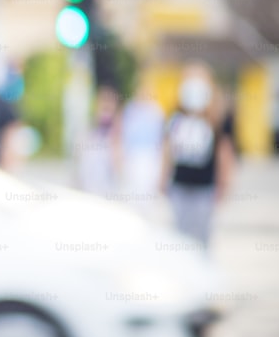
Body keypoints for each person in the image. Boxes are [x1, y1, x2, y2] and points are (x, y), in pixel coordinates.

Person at [161, 63, 235, 248]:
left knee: (202, 238)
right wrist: (163, 178)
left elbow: (224, 154)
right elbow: (168, 149)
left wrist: (224, 184)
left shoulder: (217, 119)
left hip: (204, 187)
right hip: (180, 185)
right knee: (180, 237)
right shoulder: (176, 116)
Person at [119, 75, 165, 216]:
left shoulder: (156, 112)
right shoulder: (130, 110)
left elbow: (162, 139)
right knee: (132, 195)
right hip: (133, 156)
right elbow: (123, 134)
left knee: (147, 196)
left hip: (151, 157)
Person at [75, 85, 121, 196]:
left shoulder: (117, 134)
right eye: (103, 102)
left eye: (110, 103)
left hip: (107, 191)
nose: (106, 106)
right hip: (87, 189)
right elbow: (78, 162)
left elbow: (118, 167)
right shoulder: (87, 131)